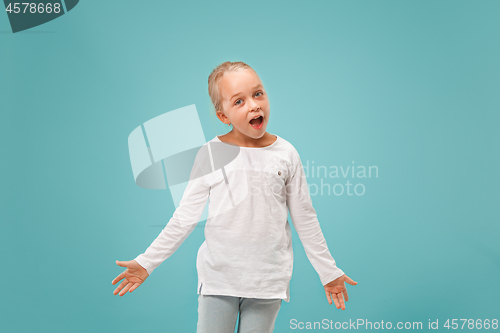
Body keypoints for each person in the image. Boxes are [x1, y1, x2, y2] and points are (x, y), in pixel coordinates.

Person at [112, 61, 358, 333]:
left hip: (267, 282)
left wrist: (328, 271)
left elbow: (305, 218)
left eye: (258, 94)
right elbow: (184, 217)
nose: (253, 105)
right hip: (219, 279)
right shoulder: (210, 154)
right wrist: (148, 261)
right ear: (223, 116)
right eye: (239, 101)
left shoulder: (287, 153)